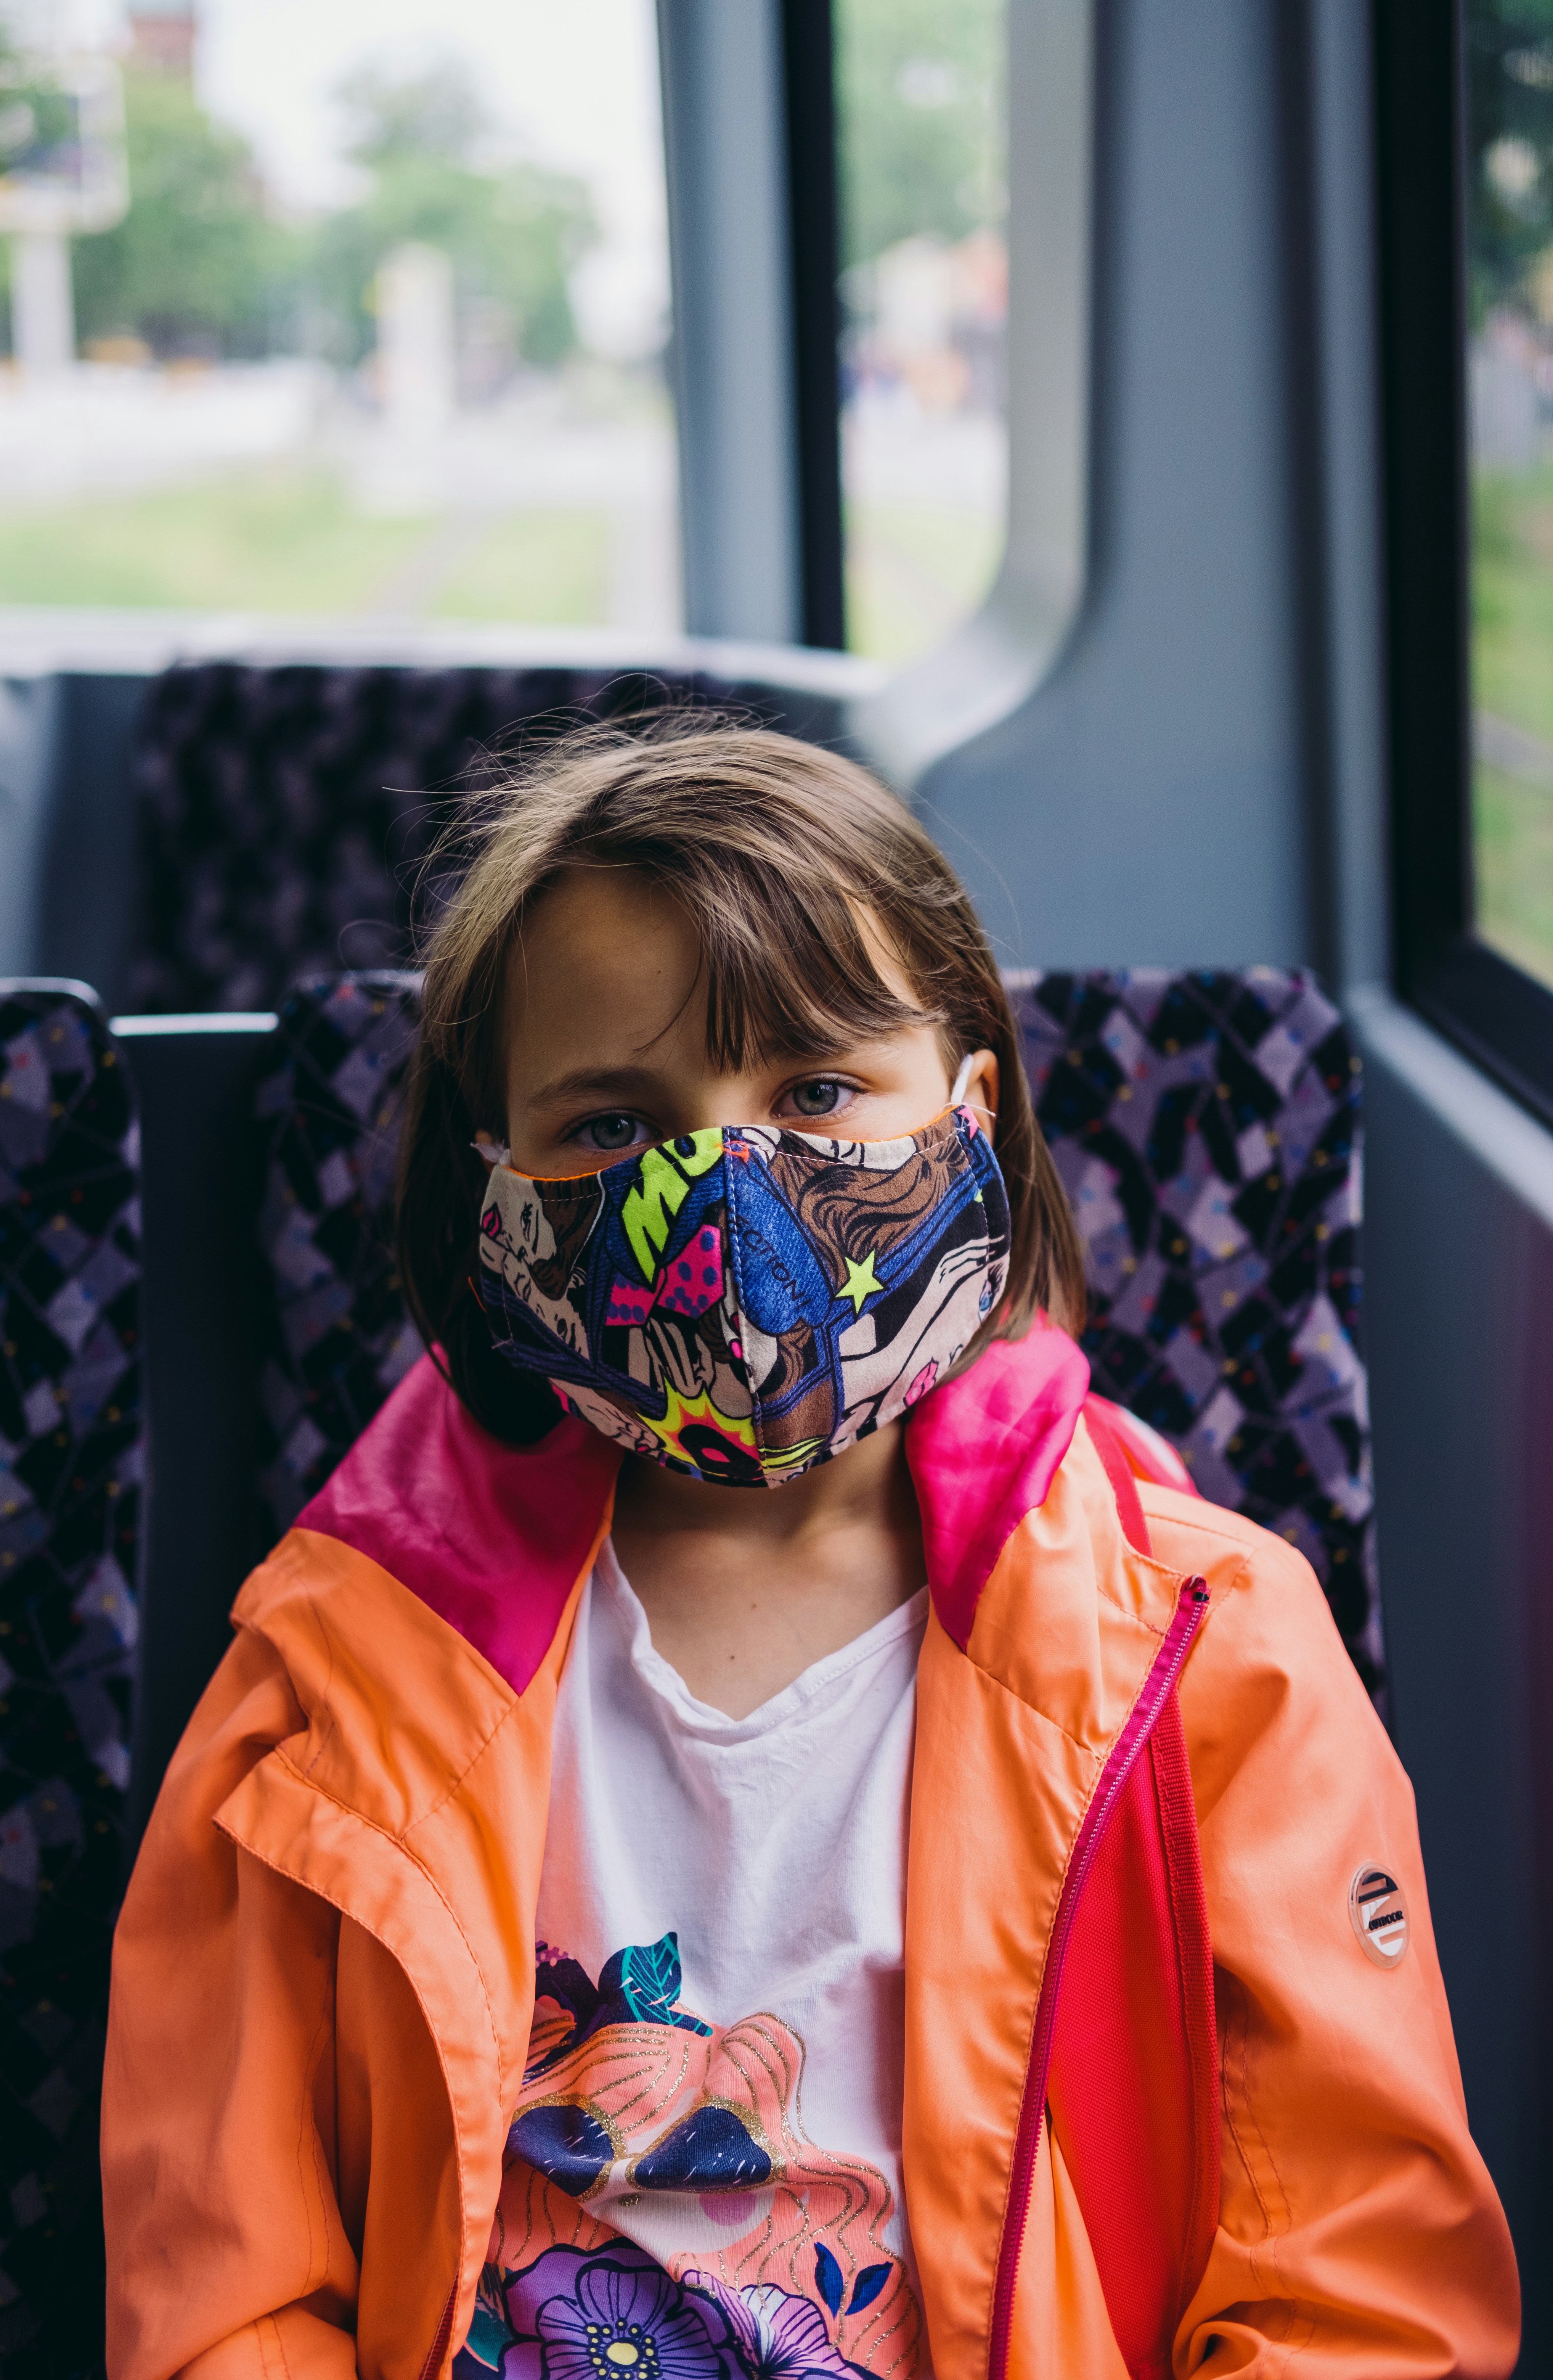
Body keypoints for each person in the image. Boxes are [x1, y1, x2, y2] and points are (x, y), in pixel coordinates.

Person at [101, 720, 1518, 2380]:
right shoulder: (330, 1670)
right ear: (496, 1191)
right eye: (613, 1128)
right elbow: (229, 2294)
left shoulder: (1214, 1654)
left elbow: (1352, 2292)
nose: (725, 1201)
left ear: (972, 1116)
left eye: (819, 1094)